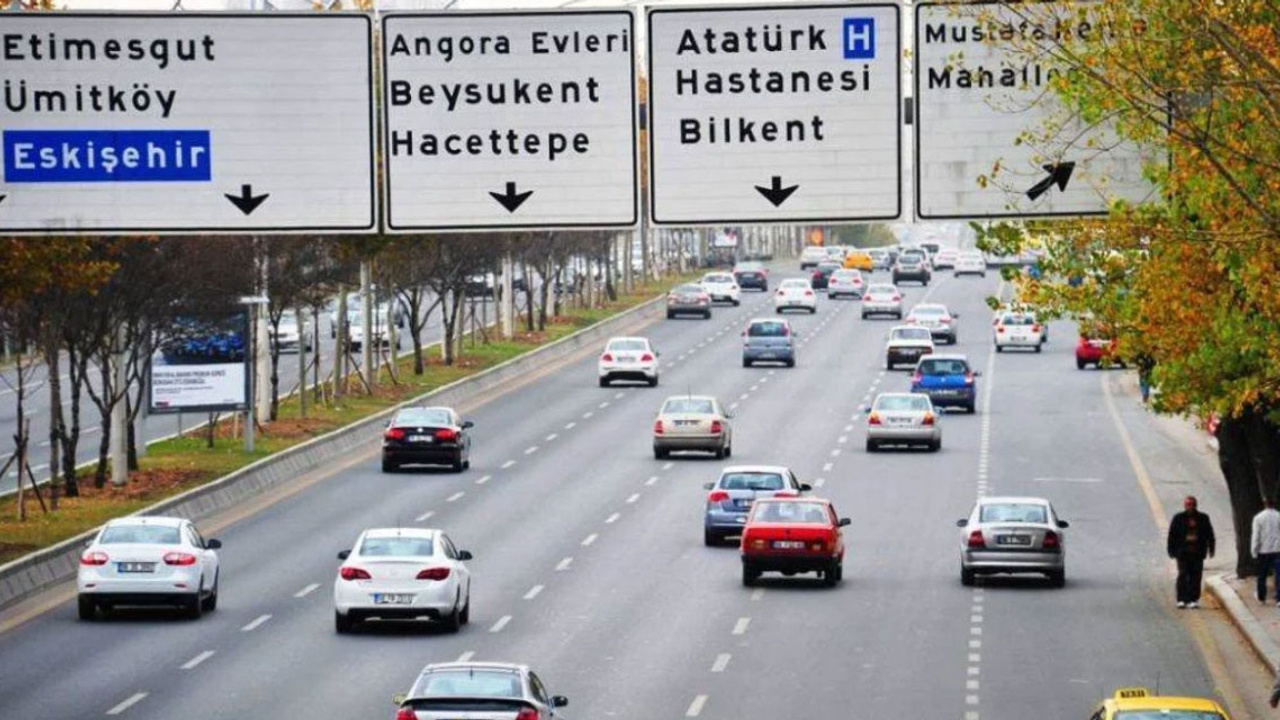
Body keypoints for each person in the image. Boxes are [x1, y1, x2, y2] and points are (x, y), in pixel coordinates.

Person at [1167, 496, 1216, 608]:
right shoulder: (1178, 518)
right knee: (1183, 574)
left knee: (1196, 575)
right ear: (1185, 506)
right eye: (1188, 505)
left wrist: (1211, 548)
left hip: (1197, 552)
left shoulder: (1203, 518)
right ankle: (1181, 599)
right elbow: (1172, 535)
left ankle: (1193, 599)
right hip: (1183, 553)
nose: (1191, 507)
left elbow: (1210, 534)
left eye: (1192, 505)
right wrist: (1171, 550)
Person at [1253, 498, 1280, 604]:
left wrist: (1254, 550)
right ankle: (1279, 598)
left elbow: (1256, 536)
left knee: (1262, 575)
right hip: (1277, 550)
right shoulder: (1278, 516)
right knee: (1278, 574)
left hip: (1263, 551)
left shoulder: (1258, 518)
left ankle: (1261, 596)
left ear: (1264, 504)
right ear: (1274, 504)